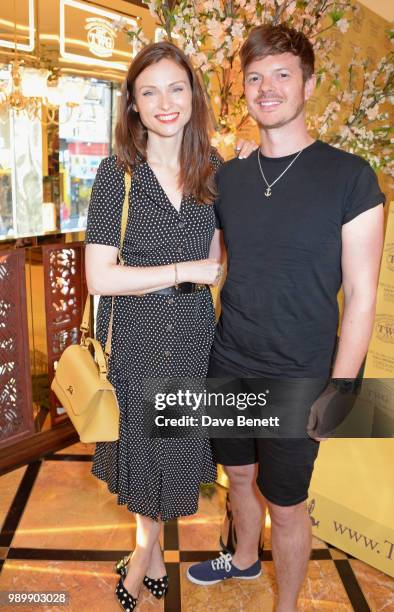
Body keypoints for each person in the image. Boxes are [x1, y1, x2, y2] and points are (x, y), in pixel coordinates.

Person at [187, 24, 385, 612]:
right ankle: (245, 560)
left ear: (309, 85)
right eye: (254, 77)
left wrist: (342, 387)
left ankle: (287, 604)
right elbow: (211, 263)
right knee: (239, 479)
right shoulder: (230, 177)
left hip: (299, 375)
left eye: (281, 74)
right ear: (242, 88)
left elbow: (363, 296)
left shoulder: (351, 177)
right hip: (230, 360)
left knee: (287, 503)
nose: (266, 88)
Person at [85, 41, 255, 610]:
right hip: (135, 333)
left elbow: (222, 259)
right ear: (133, 104)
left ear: (193, 95)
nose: (164, 102)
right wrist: (181, 269)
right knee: (147, 453)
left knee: (171, 452)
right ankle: (142, 561)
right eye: (148, 91)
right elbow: (101, 279)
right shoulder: (117, 174)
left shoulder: (216, 171)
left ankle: (149, 556)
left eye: (175, 88)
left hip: (190, 335)